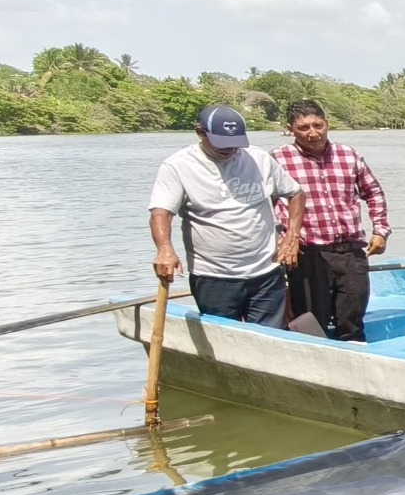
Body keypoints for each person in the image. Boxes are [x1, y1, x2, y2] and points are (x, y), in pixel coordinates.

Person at [149, 103, 303, 325]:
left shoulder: (258, 159)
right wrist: (164, 249)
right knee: (225, 338)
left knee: (268, 338)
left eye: (235, 144)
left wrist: (292, 236)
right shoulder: (178, 166)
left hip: (266, 271)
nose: (229, 150)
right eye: (222, 143)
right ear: (200, 133)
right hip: (214, 276)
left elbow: (296, 193)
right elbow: (161, 212)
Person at [271, 98, 389, 341]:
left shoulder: (348, 155)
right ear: (290, 128)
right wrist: (282, 240)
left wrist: (380, 229)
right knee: (312, 323)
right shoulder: (276, 160)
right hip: (307, 253)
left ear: (327, 124)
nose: (313, 133)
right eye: (304, 128)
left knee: (353, 319)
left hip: (350, 252)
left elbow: (373, 192)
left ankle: (355, 364)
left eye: (318, 125)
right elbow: (263, 205)